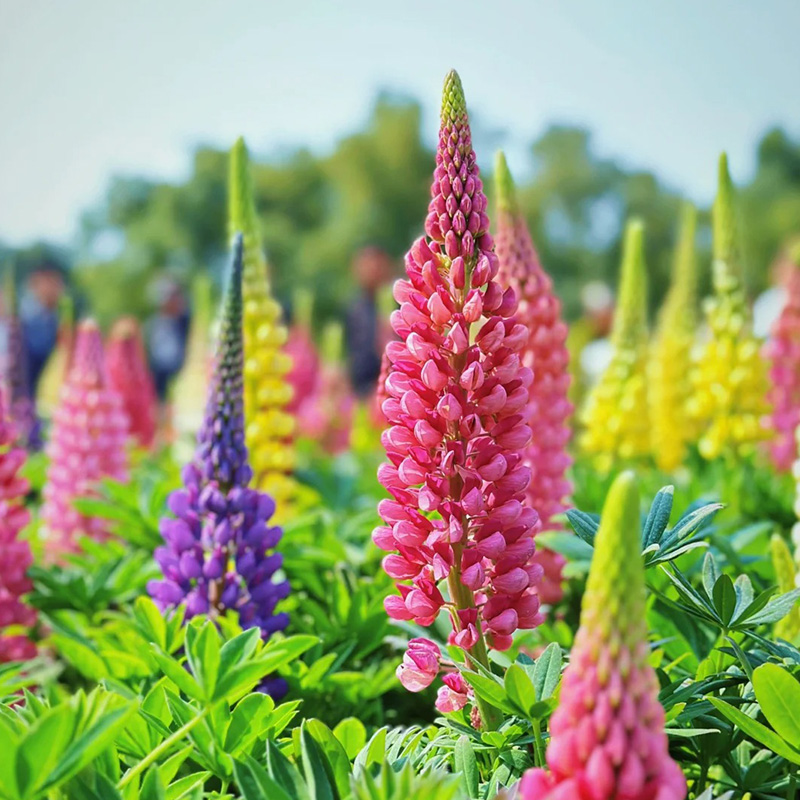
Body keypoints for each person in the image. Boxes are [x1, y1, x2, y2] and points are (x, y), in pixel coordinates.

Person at [344, 245, 393, 397]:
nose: (372, 271)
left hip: (394, 387)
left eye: (377, 265)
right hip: (362, 392)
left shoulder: (400, 306)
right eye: (366, 265)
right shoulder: (354, 309)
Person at [19, 260, 66, 397]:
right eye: (53, 282)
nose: (59, 288)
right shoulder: (23, 318)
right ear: (34, 284)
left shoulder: (53, 318)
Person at [145, 278, 190, 402]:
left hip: (182, 374)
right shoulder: (153, 323)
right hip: (159, 375)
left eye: (174, 297)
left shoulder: (186, 322)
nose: (171, 301)